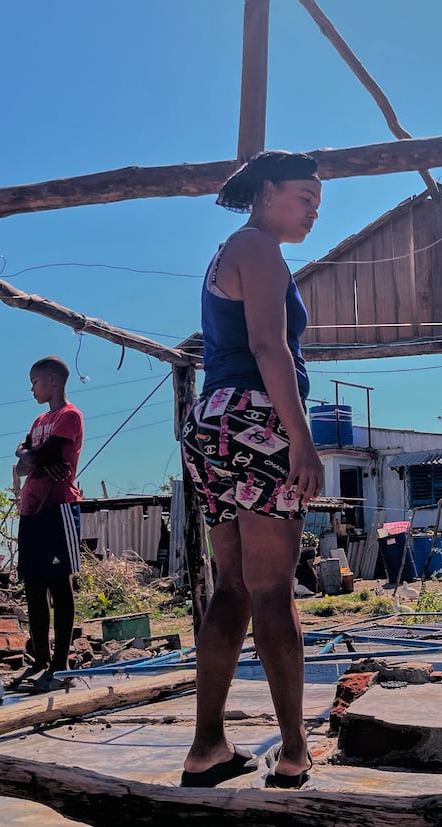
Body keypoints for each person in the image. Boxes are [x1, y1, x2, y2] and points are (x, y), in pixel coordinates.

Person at [179, 150, 324, 789]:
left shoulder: (227, 251)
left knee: (233, 586)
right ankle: (293, 750)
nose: (312, 210)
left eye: (317, 202)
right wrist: (302, 439)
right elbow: (269, 346)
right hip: (254, 417)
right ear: (266, 193)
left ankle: (207, 746)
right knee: (272, 588)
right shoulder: (259, 249)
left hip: (212, 420)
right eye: (303, 197)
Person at [14, 355, 84, 691]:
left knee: (59, 585)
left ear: (53, 380)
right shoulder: (40, 419)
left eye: (36, 381)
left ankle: (60, 663)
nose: (32, 388)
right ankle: (40, 658)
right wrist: (28, 455)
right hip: (30, 509)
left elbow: (40, 457)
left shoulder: (69, 416)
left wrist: (32, 456)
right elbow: (25, 462)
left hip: (58, 507)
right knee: (33, 587)